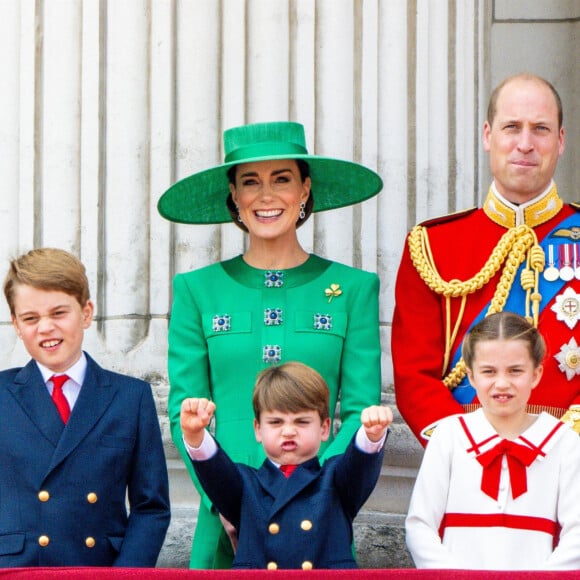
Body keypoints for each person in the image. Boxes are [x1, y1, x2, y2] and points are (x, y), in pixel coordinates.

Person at [157, 121, 384, 568]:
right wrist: (224, 499)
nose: (266, 196)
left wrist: (321, 491)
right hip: (225, 513)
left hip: (320, 517)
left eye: (281, 179)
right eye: (250, 182)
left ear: (305, 189)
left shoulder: (354, 288)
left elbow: (360, 409)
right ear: (234, 196)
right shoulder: (196, 289)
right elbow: (185, 407)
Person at [392, 73, 580, 444]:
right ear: (487, 135)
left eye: (540, 129)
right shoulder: (432, 245)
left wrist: (564, 445)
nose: (525, 144)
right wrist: (469, 448)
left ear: (560, 141)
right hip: (466, 464)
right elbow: (415, 376)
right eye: (512, 127)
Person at [0, 248, 170, 567]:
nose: (46, 327)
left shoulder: (130, 398)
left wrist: (124, 577)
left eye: (58, 313)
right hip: (16, 570)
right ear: (17, 325)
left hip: (98, 569)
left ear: (87, 312)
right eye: (31, 318)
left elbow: (151, 507)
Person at [405, 311, 580, 570]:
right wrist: (455, 578)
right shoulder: (449, 435)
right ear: (472, 376)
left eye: (515, 371)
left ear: (536, 374)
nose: (501, 383)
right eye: (489, 371)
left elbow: (576, 534)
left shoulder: (564, 442)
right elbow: (419, 526)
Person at [180, 361, 392, 570]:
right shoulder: (246, 484)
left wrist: (371, 435)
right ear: (257, 429)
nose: (289, 431)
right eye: (276, 422)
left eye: (302, 422)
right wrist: (195, 435)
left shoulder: (335, 479)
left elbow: (359, 464)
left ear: (324, 428)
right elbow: (215, 471)